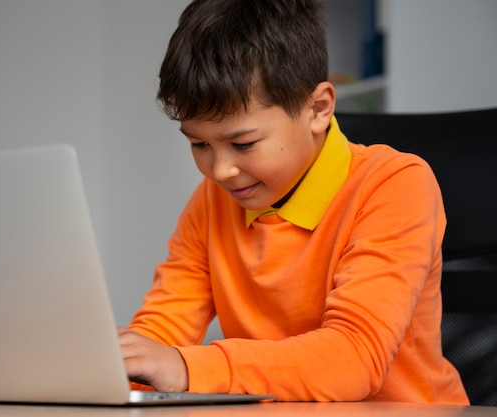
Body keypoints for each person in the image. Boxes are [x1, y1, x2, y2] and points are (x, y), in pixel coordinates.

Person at [118, 0, 469, 404]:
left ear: (318, 109)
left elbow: (353, 358)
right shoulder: (213, 201)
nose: (219, 170)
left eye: (242, 143)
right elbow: (162, 331)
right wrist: (119, 369)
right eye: (199, 144)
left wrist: (185, 367)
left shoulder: (395, 185)